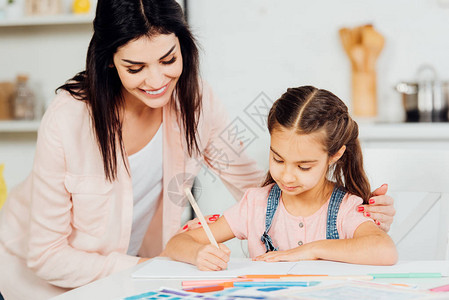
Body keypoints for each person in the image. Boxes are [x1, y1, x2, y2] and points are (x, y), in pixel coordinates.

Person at [0, 1, 394, 299]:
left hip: (140, 274)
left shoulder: (195, 99)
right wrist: (157, 265)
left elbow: (253, 185)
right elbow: (47, 255)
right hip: (39, 279)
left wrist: (346, 220)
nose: (156, 81)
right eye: (135, 68)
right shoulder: (69, 118)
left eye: (169, 59)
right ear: (108, 62)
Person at [163, 86, 398, 270]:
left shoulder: (345, 209)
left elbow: (384, 251)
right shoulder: (256, 204)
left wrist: (311, 250)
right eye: (278, 159)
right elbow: (176, 244)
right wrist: (198, 254)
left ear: (334, 156)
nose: (286, 176)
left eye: (304, 167)